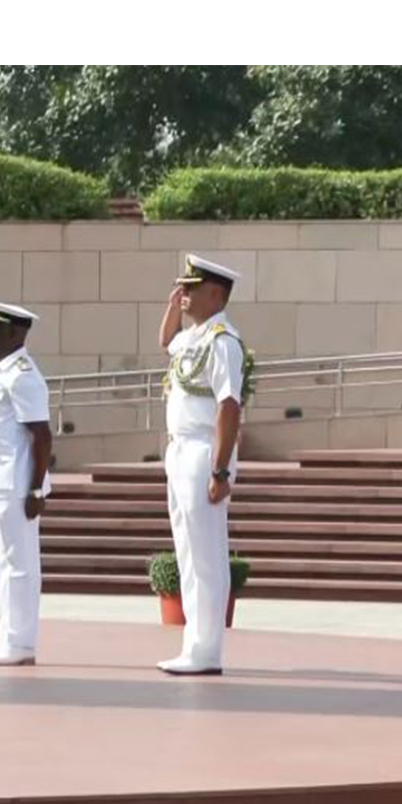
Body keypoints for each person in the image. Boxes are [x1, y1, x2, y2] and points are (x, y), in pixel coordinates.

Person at [156, 254, 246, 676]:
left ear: (216, 294)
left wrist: (220, 469)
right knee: (187, 551)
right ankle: (194, 642)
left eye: (190, 289)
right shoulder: (195, 336)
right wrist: (174, 307)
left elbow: (229, 406)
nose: (184, 294)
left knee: (206, 554)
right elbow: (165, 341)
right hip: (179, 451)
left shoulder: (223, 341)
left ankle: (207, 649)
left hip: (202, 453)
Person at [0, 298, 54, 665]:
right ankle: (9, 638)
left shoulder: (23, 377)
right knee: (7, 563)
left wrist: (36, 489)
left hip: (15, 486)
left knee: (19, 566)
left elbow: (42, 436)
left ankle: (19, 643)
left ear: (17, 333)